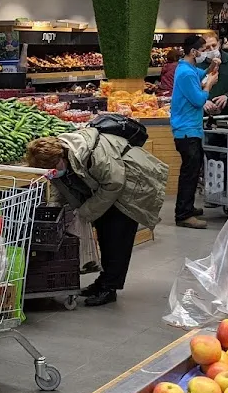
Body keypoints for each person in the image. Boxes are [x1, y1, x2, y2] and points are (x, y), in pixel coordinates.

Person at [26, 127, 166, 306]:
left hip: (131, 184)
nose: (52, 172)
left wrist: (85, 212)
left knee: (117, 238)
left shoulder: (94, 155)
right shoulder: (59, 157)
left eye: (53, 168)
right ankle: (103, 281)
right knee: (104, 233)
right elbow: (58, 183)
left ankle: (110, 288)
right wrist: (54, 204)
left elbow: (114, 184)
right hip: (106, 188)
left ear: (62, 158)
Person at [172, 35, 212, 229]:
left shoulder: (188, 69)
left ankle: (187, 207)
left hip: (190, 129)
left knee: (193, 171)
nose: (206, 53)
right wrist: (209, 86)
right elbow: (198, 100)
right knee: (189, 173)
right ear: (194, 52)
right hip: (187, 131)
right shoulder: (186, 73)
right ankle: (183, 214)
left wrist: (211, 69)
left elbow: (201, 73)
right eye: (204, 50)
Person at [205, 34, 228, 114]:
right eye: (207, 47)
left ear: (219, 43)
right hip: (203, 114)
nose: (211, 49)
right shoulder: (198, 65)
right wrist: (202, 101)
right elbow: (191, 90)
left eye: (214, 45)